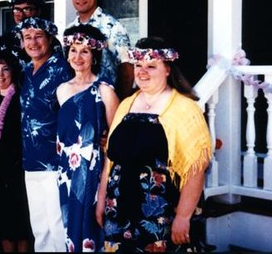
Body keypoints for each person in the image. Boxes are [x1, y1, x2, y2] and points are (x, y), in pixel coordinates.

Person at [96, 37, 212, 252]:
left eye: (151, 66)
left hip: (162, 215)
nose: (142, 71)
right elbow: (110, 159)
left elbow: (196, 168)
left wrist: (183, 216)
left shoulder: (185, 109)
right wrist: (102, 198)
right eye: (138, 65)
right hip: (119, 210)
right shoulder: (126, 104)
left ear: (168, 69)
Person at [56, 24, 120, 252]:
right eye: (73, 50)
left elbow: (116, 140)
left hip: (94, 171)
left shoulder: (105, 90)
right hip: (67, 171)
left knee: (92, 232)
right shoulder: (62, 89)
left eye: (84, 51)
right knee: (71, 231)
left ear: (94, 55)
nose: (78, 56)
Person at [17, 17, 72, 252]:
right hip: (30, 159)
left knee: (59, 226)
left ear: (50, 39)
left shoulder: (63, 68)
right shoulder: (25, 70)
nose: (33, 42)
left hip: (55, 161)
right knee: (40, 228)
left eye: (38, 36)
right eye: (27, 37)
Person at [0, 49, 34, 252]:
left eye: (5, 69)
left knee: (20, 219)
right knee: (2, 219)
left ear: (13, 71)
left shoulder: (21, 97)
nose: (0, 74)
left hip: (17, 165)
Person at [65, 0, 134, 100]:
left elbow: (127, 71)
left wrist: (117, 106)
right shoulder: (70, 29)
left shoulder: (113, 27)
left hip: (105, 105)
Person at [0, 0, 63, 68]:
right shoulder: (5, 40)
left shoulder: (49, 41)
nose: (21, 15)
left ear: (38, 11)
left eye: (27, 9)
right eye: (17, 10)